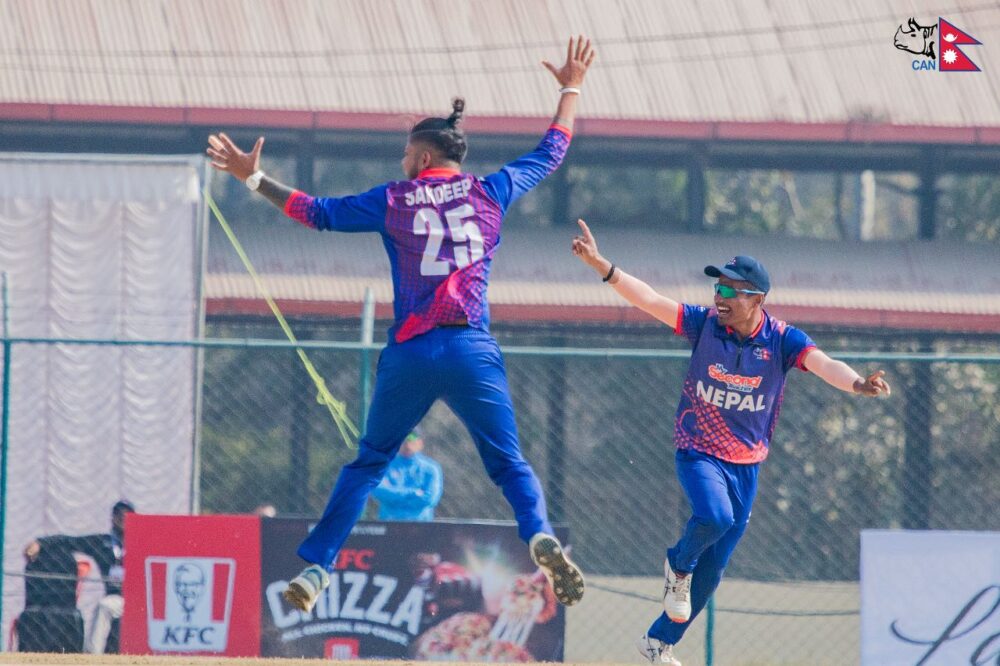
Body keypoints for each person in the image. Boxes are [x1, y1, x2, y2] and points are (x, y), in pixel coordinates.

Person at [206, 36, 597, 613]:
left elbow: (316, 213)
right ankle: (538, 533)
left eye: (405, 154)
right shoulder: (492, 191)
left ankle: (316, 569)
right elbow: (552, 150)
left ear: (423, 157)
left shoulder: (395, 198)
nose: (402, 162)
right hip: (471, 349)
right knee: (509, 463)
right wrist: (571, 89)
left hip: (412, 352)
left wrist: (253, 177)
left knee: (369, 463)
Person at [569, 220, 890, 666]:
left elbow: (823, 363)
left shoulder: (781, 339)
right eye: (717, 288)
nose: (718, 297)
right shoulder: (704, 325)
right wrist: (602, 267)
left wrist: (856, 383)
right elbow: (650, 300)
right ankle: (677, 565)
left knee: (714, 571)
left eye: (730, 291)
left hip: (746, 465)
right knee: (715, 516)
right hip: (698, 450)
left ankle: (658, 643)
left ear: (757, 299)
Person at [23, 500, 136, 654]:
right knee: (105, 606)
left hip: (141, 597)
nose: (123, 518)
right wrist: (40, 543)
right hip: (117, 597)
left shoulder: (142, 541)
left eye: (127, 514)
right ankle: (92, 655)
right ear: (113, 517)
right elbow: (70, 541)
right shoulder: (103, 543)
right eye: (119, 514)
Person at [372, 427, 443, 521]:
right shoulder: (384, 466)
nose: (406, 443)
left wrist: (395, 496)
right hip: (389, 523)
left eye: (412, 438)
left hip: (421, 526)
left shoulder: (431, 468)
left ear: (420, 443)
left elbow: (430, 499)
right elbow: (378, 491)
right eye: (402, 438)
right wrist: (413, 493)